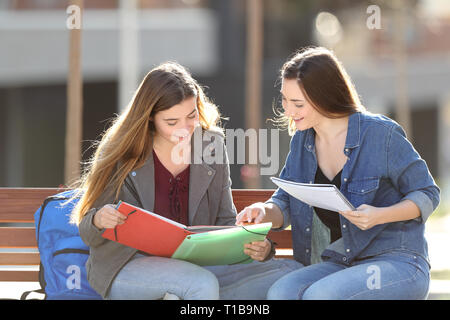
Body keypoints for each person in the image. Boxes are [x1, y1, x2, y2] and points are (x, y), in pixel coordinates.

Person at [70, 62, 301, 300]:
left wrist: (259, 248)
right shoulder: (122, 151)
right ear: (149, 118)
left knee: (290, 275)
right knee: (200, 284)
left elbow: (224, 221)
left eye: (191, 116)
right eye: (172, 122)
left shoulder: (211, 145)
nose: (185, 129)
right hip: (130, 265)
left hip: (197, 263)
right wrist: (100, 219)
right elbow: (88, 231)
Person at [236, 47, 440, 300]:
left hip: (397, 260)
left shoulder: (380, 134)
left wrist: (380, 216)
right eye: (284, 100)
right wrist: (263, 212)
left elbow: (428, 193)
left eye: (297, 104)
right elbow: (285, 200)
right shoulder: (303, 141)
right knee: (281, 292)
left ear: (325, 97)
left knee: (322, 295)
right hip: (342, 259)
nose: (287, 111)